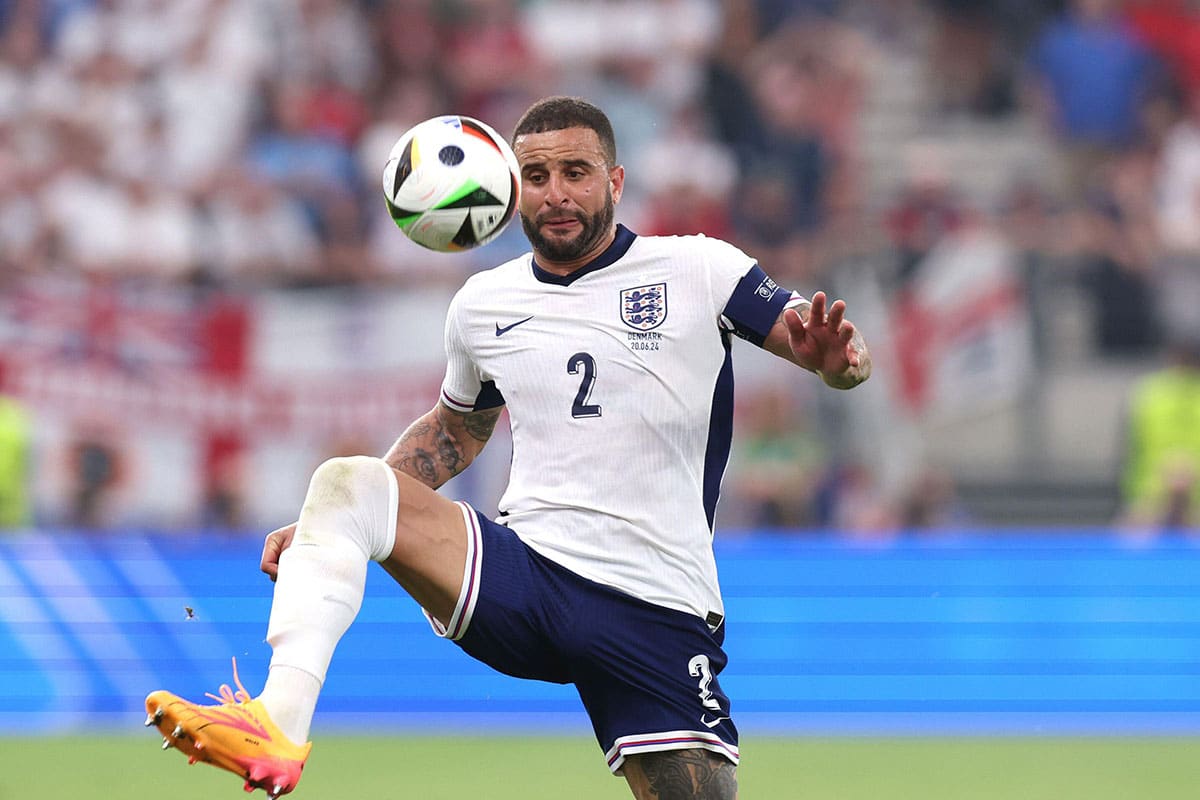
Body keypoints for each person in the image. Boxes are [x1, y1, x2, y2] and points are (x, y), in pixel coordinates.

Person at [145, 96, 871, 800]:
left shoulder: (699, 269)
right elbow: (455, 432)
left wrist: (838, 363)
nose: (556, 194)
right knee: (345, 481)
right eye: (537, 175)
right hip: (526, 577)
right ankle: (276, 723)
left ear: (615, 182)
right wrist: (329, 528)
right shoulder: (483, 304)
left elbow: (827, 351)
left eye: (577, 173)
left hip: (654, 602)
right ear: (510, 187)